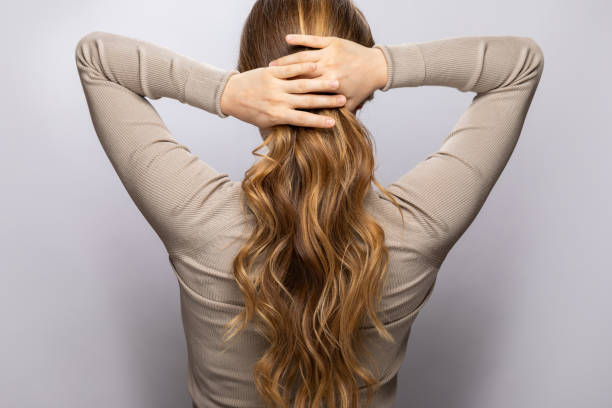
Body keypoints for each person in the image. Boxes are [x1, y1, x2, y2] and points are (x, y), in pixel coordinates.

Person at [74, 0, 544, 406]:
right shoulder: (417, 226)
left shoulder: (198, 219)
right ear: (357, 98)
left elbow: (97, 58)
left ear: (255, 76)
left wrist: (227, 92)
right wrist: (383, 66)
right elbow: (520, 64)